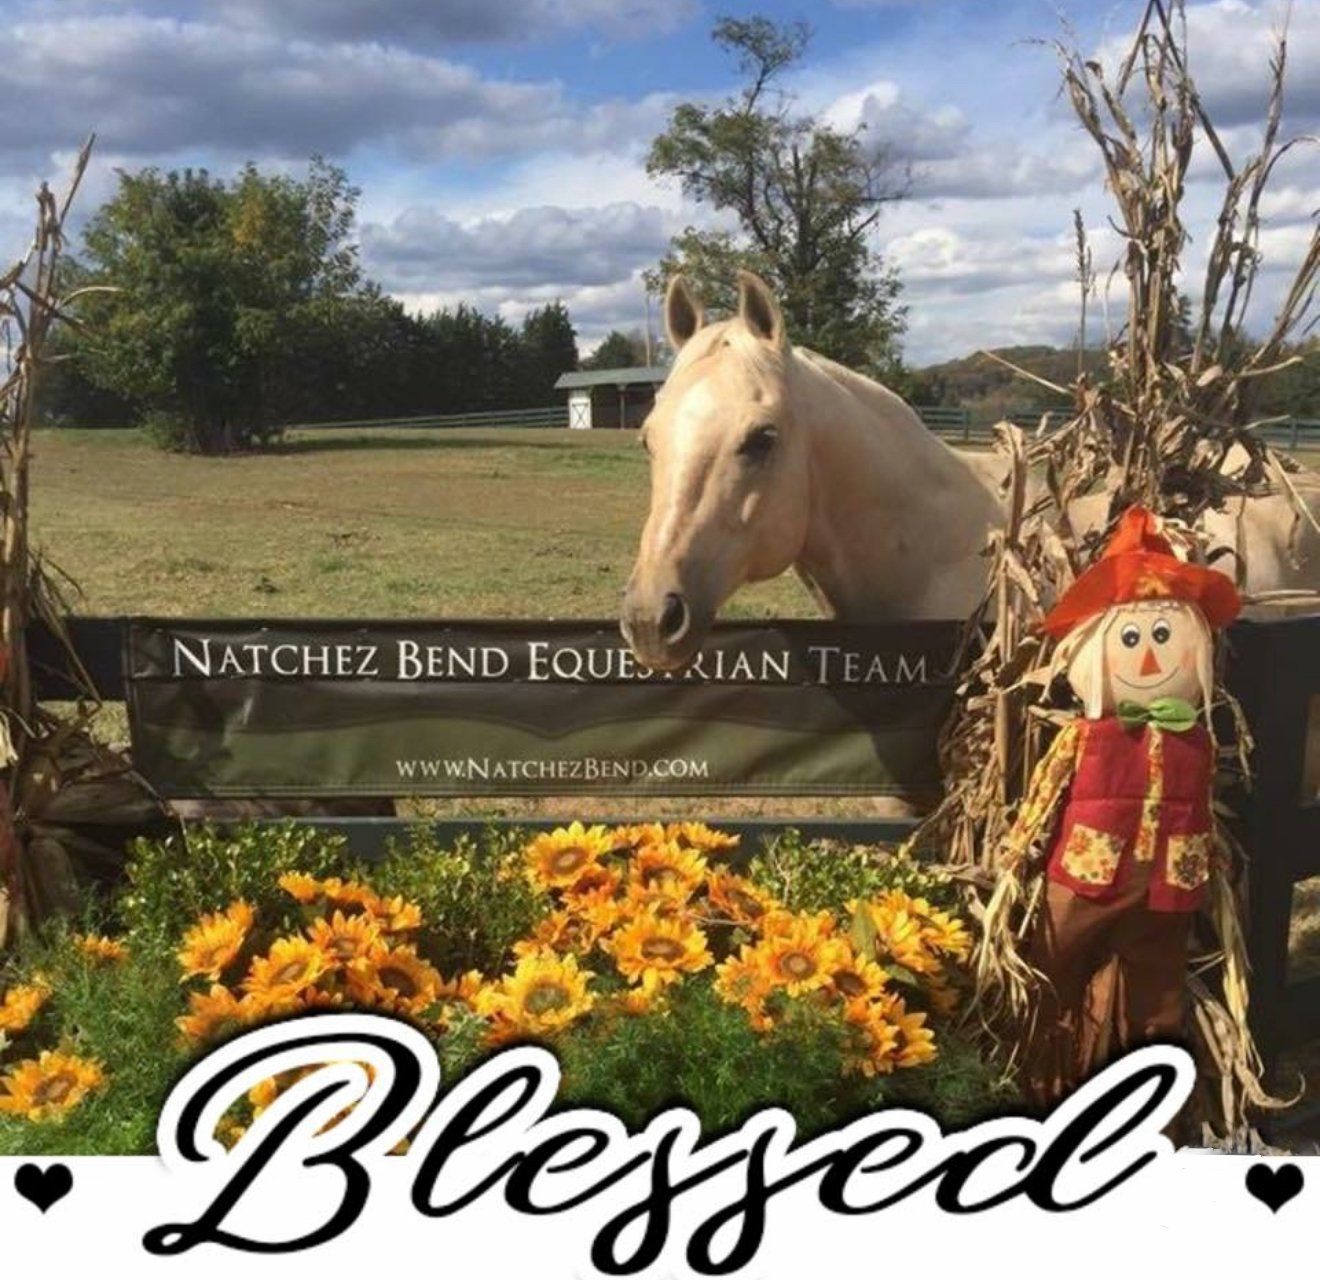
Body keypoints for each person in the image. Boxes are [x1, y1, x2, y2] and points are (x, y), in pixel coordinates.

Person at [999, 506, 1241, 1105]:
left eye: (1165, 638)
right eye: (1132, 640)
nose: (1152, 658)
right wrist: (1015, 849)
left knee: (1158, 997)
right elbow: (1046, 793)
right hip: (1087, 873)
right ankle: (1038, 1081)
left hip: (1170, 881)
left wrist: (1213, 860)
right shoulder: (1088, 735)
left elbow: (1203, 807)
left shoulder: (1199, 739)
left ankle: (1152, 1100)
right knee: (1052, 965)